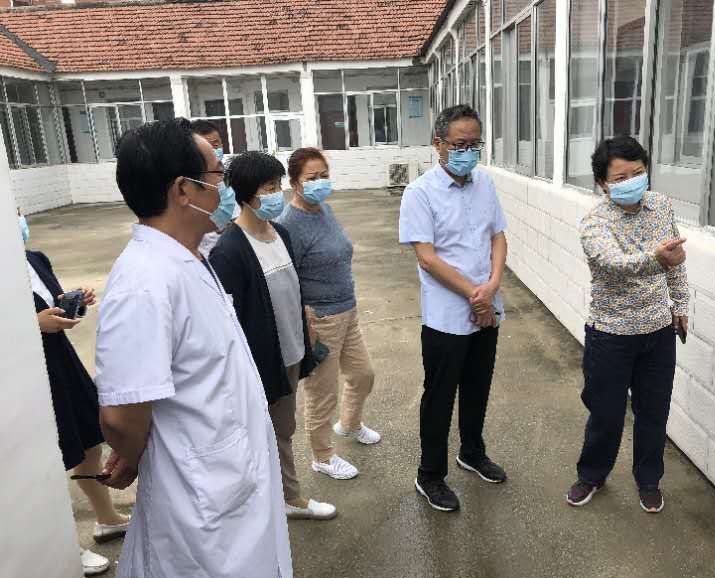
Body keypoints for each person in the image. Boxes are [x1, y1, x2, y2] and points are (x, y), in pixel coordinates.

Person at [94, 118, 293, 578]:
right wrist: (133, 454)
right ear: (184, 189)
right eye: (217, 174)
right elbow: (121, 415)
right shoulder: (144, 282)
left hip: (227, 478)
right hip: (200, 499)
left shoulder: (190, 257)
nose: (225, 186)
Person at [209, 151, 337, 520]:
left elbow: (292, 289)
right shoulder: (230, 250)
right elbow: (228, 320)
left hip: (291, 352)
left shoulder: (280, 233)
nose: (276, 194)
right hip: (261, 361)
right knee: (268, 431)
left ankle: (275, 496)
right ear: (246, 194)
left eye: (278, 185)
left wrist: (306, 323)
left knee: (282, 427)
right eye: (268, 188)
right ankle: (287, 498)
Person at [566, 135, 689, 514]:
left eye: (637, 173)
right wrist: (658, 258)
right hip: (610, 335)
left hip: (658, 333)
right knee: (606, 414)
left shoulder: (661, 205)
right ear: (602, 184)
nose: (631, 182)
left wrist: (680, 303)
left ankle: (649, 480)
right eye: (620, 178)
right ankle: (592, 474)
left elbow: (676, 260)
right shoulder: (595, 222)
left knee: (654, 413)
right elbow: (614, 265)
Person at [399, 104, 508, 513]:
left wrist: (491, 288)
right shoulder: (419, 193)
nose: (468, 152)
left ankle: (472, 452)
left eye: (475, 144)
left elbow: (498, 237)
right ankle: (430, 474)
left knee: (479, 386)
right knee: (440, 396)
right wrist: (475, 295)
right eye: (460, 144)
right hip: (447, 316)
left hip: (487, 307)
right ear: (438, 144)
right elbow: (427, 258)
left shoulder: (485, 183)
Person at [18, 208, 129, 576]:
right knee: (46, 460)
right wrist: (33, 323)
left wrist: (72, 300)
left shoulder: (34, 258)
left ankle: (106, 517)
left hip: (61, 362)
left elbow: (51, 305)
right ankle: (62, 547)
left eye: (18, 211)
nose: (19, 219)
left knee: (87, 441)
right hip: (27, 374)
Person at [276, 147, 381, 481]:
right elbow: (288, 278)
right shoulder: (289, 224)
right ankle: (322, 456)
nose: (320, 182)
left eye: (324, 175)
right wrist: (304, 322)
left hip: (347, 310)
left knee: (363, 374)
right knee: (322, 393)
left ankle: (349, 424)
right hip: (320, 319)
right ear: (294, 182)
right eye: (312, 177)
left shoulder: (324, 209)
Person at [190, 120, 241, 257]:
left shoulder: (231, 175)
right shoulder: (191, 184)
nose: (213, 150)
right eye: (207, 146)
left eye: (216, 144)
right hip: (206, 253)